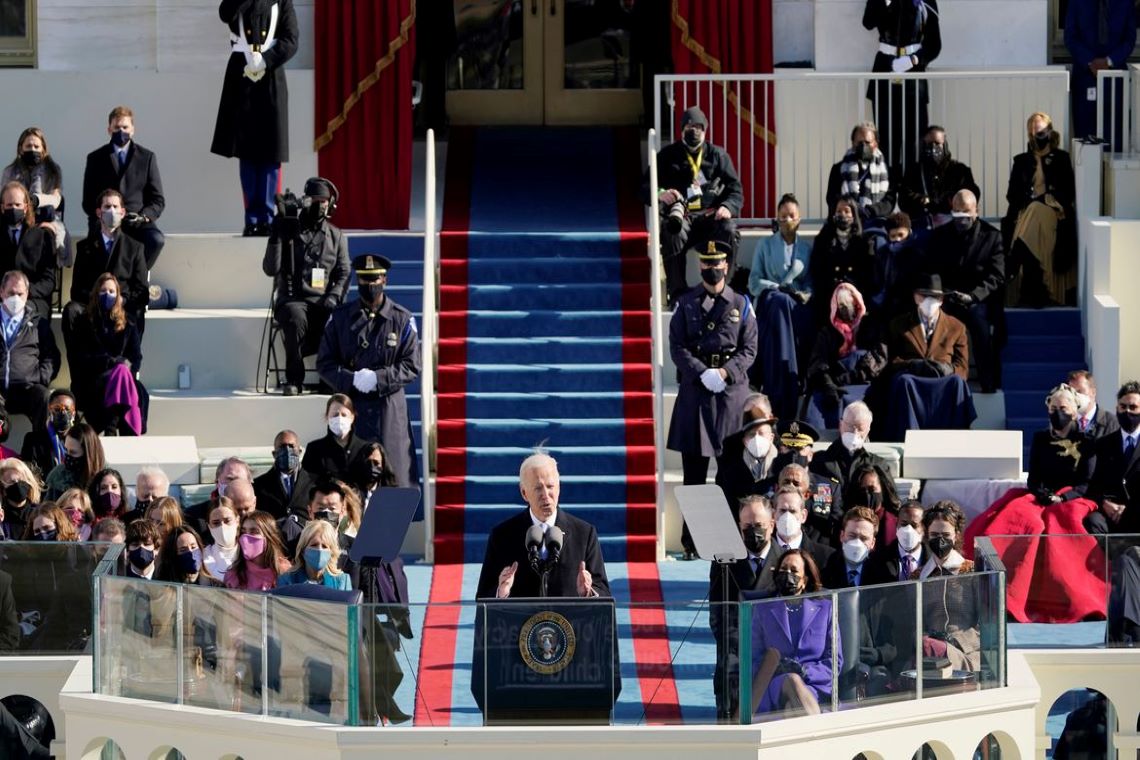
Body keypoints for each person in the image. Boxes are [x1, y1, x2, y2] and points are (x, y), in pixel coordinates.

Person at [964, 383, 1105, 623]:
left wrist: (1063, 498)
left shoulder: (1087, 441)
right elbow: (1034, 478)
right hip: (1041, 497)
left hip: (1073, 498)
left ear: (1074, 412)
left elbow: (1086, 482)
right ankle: (1002, 592)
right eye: (1053, 408)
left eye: (1063, 408)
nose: (1058, 413)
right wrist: (1044, 495)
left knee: (1058, 524)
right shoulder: (1040, 438)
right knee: (1021, 521)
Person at [667, 238, 758, 558]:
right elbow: (677, 346)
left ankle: (730, 539)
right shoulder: (685, 303)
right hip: (696, 392)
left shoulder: (741, 303)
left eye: (717, 263)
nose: (712, 268)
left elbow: (750, 348)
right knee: (693, 476)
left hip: (730, 395)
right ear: (700, 266)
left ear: (726, 266)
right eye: (707, 263)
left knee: (731, 475)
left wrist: (726, 373)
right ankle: (691, 542)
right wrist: (701, 372)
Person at [318, 254, 421, 486]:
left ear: (384, 280)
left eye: (374, 279)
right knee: (351, 479)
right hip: (353, 407)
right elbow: (325, 363)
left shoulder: (401, 319)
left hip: (389, 409)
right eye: (364, 280)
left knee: (394, 476)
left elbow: (412, 364)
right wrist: (350, 379)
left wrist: (379, 378)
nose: (370, 285)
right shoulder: (340, 318)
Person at [211, 0, 300, 236]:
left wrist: (267, 59)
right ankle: (252, 218)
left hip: (271, 75)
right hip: (242, 75)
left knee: (271, 152)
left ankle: (268, 217)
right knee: (247, 151)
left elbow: (291, 39)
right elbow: (225, 13)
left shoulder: (282, 2)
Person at [475, 452, 610, 599]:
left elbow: (603, 592)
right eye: (538, 488)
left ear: (559, 488)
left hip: (568, 615)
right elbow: (484, 596)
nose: (545, 495)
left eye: (550, 486)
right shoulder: (502, 536)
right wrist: (501, 592)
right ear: (524, 493)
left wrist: (588, 592)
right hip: (521, 615)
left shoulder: (584, 534)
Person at [645, 106, 743, 302]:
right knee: (672, 231)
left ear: (705, 130)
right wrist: (660, 193)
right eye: (689, 127)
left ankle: (725, 287)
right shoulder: (667, 156)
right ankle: (677, 294)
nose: (694, 131)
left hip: (710, 218)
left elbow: (736, 190)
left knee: (730, 231)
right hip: (682, 218)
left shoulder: (718, 156)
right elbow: (644, 186)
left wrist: (727, 207)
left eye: (698, 127)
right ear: (682, 130)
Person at [263, 176, 350, 394]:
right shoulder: (289, 227)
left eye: (324, 201)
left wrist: (334, 295)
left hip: (323, 300)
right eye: (315, 200)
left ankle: (330, 378)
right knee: (296, 316)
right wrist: (277, 231)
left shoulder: (336, 236)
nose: (319, 205)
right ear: (306, 201)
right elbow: (270, 269)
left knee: (339, 316)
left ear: (330, 204)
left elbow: (344, 272)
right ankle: (294, 379)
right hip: (293, 299)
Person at [872, 273, 975, 441]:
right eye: (924, 296)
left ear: (941, 300)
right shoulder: (898, 324)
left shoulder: (957, 327)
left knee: (957, 382)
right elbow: (891, 362)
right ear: (915, 297)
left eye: (934, 297)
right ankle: (907, 438)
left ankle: (956, 439)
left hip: (942, 380)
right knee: (903, 381)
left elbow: (963, 368)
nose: (929, 301)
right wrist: (912, 364)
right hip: (912, 378)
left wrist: (948, 369)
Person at [925, 190, 1005, 393]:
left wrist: (973, 296)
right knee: (936, 324)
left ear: (976, 211)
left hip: (977, 299)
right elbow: (932, 269)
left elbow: (997, 276)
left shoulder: (992, 236)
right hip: (948, 297)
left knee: (980, 325)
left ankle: (988, 383)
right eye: (957, 212)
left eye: (966, 212)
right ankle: (938, 379)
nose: (962, 218)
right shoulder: (940, 235)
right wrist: (942, 294)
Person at [709, 495, 780, 721]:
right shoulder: (724, 562)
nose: (753, 531)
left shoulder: (785, 561)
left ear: (772, 525)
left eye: (759, 525)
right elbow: (717, 613)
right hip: (735, 658)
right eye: (747, 526)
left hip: (773, 658)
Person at [747, 193, 813, 420]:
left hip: (795, 309)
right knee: (778, 300)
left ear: (799, 218)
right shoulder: (765, 245)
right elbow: (754, 282)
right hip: (770, 304)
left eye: (791, 216)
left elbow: (810, 284)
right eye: (782, 216)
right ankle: (785, 376)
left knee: (788, 304)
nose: (787, 220)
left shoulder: (806, 249)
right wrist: (776, 287)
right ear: (776, 218)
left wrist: (801, 294)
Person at [749, 548, 836, 718]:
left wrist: (806, 671)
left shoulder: (826, 609)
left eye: (794, 571)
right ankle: (821, 729)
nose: (787, 574)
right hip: (775, 683)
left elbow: (835, 659)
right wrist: (779, 669)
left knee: (791, 709)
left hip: (815, 685)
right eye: (783, 569)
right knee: (791, 679)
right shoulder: (763, 609)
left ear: (805, 580)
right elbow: (753, 656)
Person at [1002, 112, 1076, 308]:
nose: (1038, 136)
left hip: (1054, 212)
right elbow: (1011, 195)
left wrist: (1044, 200)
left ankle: (1014, 260)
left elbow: (1068, 192)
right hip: (1026, 214)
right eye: (1033, 132)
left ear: (1050, 131)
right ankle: (1033, 290)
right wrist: (1027, 199)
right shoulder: (1021, 161)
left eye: (1041, 131)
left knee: (1035, 208)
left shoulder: (1061, 158)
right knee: (1031, 212)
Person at [64, 188, 148, 356]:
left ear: (123, 212)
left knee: (137, 312)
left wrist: (120, 300)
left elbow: (141, 291)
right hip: (92, 307)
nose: (112, 211)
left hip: (121, 307)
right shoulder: (85, 247)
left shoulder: (135, 248)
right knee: (71, 310)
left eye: (115, 207)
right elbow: (76, 290)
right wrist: (97, 300)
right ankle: (80, 371)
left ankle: (125, 369)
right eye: (107, 207)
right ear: (99, 212)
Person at [81, 106, 165, 268]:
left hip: (137, 221)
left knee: (156, 240)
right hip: (105, 220)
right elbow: (88, 200)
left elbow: (158, 200)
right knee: (101, 245)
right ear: (109, 130)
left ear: (133, 129)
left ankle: (137, 275)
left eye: (125, 127)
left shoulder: (147, 157)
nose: (121, 131)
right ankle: (109, 280)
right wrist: (105, 216)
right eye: (117, 127)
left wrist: (143, 217)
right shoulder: (95, 158)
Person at [861, 0, 941, 172]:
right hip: (885, 68)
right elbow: (868, 22)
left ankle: (911, 186)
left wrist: (914, 60)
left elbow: (934, 44)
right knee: (886, 139)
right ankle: (887, 185)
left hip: (913, 72)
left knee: (915, 138)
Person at [69, 273, 147, 435]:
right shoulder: (84, 322)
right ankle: (129, 433)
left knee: (123, 373)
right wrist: (112, 362)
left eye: (111, 291)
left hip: (123, 378)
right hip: (95, 378)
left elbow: (136, 358)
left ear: (118, 295)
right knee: (121, 372)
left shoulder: (129, 322)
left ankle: (111, 427)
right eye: (103, 291)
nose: (107, 295)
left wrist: (124, 368)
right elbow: (81, 357)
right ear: (96, 293)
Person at [803, 282, 886, 429]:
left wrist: (851, 377)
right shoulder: (828, 331)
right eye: (841, 305)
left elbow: (879, 357)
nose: (846, 309)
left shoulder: (870, 326)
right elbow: (818, 362)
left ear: (857, 302)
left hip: (862, 383)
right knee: (817, 403)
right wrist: (828, 384)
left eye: (849, 303)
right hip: (834, 383)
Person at [911, 500, 981, 672]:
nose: (940, 540)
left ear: (956, 535)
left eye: (946, 535)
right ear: (926, 535)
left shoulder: (973, 572)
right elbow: (911, 622)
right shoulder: (918, 576)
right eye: (934, 535)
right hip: (928, 655)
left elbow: (986, 623)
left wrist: (957, 642)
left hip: (967, 654)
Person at [1064, 0, 1136, 144]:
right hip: (1085, 77)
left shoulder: (1126, 2)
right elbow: (1070, 37)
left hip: (1116, 78)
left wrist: (1108, 61)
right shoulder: (1076, 2)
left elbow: (1129, 39)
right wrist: (1090, 61)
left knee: (1115, 136)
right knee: (1085, 136)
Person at [0, 270, 59, 440]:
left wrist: (40, 377)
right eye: (11, 293)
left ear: (27, 294)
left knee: (44, 396)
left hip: (27, 389)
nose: (15, 298)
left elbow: (51, 357)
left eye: (20, 294)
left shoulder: (39, 323)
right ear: (2, 292)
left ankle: (38, 449)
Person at [1, 126, 69, 262]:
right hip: (16, 216)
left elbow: (56, 199)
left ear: (43, 149)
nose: (32, 149)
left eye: (36, 146)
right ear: (21, 149)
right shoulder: (10, 171)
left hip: (44, 216)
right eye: (28, 146)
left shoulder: (53, 171)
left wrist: (37, 200)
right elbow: (3, 196)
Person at [811, 402, 888, 520]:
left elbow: (890, 502)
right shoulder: (819, 461)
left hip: (864, 525)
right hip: (826, 525)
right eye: (851, 426)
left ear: (868, 430)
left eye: (860, 429)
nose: (855, 433)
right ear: (841, 425)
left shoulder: (877, 464)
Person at [898, 126, 981, 233]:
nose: (933, 148)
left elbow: (971, 194)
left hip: (954, 229)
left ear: (945, 146)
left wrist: (945, 202)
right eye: (929, 144)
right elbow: (904, 199)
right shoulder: (914, 171)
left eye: (937, 144)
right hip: (922, 228)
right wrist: (923, 201)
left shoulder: (959, 170)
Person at [1085, 381, 1140, 536]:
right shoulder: (1103, 444)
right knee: (1092, 521)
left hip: (1136, 511)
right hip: (1111, 513)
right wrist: (1104, 503)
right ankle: (1112, 553)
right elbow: (1093, 485)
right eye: (1123, 407)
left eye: (1133, 407)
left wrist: (1129, 510)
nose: (1127, 411)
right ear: (1117, 409)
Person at [809, 197, 877, 314]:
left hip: (857, 295)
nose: (842, 215)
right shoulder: (823, 240)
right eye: (839, 211)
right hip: (829, 296)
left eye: (846, 211)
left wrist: (850, 289)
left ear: (854, 215)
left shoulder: (864, 242)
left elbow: (868, 273)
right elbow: (817, 271)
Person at [714, 404, 780, 521]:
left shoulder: (781, 466)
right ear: (745, 441)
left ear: (771, 437)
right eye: (752, 434)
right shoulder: (732, 471)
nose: (757, 438)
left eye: (761, 433)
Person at [0, 182, 55, 320]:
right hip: (2, 297)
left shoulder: (42, 237)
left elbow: (48, 281)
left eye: (17, 205)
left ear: (25, 208)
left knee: (29, 316)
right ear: (2, 207)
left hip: (32, 299)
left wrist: (24, 293)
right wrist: (7, 294)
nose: (13, 208)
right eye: (9, 205)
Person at [825, 123, 896, 228]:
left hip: (876, 223)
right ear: (853, 143)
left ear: (875, 144)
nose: (863, 146)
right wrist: (852, 209)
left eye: (867, 142)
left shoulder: (887, 171)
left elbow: (889, 202)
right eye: (859, 142)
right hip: (846, 223)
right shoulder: (838, 169)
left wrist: (869, 211)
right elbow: (832, 198)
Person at [301, 394, 371, 483]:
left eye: (344, 415)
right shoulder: (314, 449)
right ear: (327, 417)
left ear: (352, 417)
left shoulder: (365, 449)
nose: (339, 419)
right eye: (335, 415)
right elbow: (306, 483)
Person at [184, 456, 254, 539]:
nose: (234, 485)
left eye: (239, 480)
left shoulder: (262, 517)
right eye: (230, 479)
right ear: (217, 482)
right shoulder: (194, 517)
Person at [223, 510, 291, 591]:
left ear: (269, 536)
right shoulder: (233, 576)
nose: (245, 537)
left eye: (254, 531)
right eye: (243, 532)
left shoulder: (285, 571)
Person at [771, 485, 834, 571]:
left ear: (803, 516)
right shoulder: (762, 553)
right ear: (773, 515)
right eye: (783, 510)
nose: (787, 516)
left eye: (793, 511)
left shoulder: (826, 556)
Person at [277, 519, 352, 590]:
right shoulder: (287, 580)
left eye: (324, 546)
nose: (319, 549)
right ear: (303, 550)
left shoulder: (342, 581)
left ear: (331, 552)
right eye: (314, 545)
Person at [253, 429, 312, 519]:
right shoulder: (259, 485)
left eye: (291, 446)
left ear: (299, 452)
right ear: (274, 454)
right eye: (282, 447)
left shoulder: (313, 482)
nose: (287, 451)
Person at [867, 499, 927, 584]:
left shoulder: (934, 559)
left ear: (924, 528)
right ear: (896, 525)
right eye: (904, 524)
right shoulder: (878, 559)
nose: (908, 530)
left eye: (914, 525)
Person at [844, 463, 902, 550]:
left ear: (882, 489)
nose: (867, 495)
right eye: (862, 490)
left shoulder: (895, 524)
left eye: (872, 489)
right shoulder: (846, 523)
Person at [20, 389, 76, 478]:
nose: (63, 412)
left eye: (67, 409)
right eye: (57, 409)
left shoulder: (82, 440)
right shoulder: (33, 441)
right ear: (50, 411)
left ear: (73, 414)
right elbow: (29, 475)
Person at [43, 421, 102, 500]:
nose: (67, 456)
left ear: (87, 454)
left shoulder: (104, 478)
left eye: (73, 452)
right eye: (66, 450)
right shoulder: (57, 476)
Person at [822, 507, 879, 589]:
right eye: (852, 536)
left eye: (864, 538)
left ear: (872, 543)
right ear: (842, 536)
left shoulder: (882, 573)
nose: (857, 543)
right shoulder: (826, 566)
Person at [1068, 369, 1120, 440]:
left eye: (1079, 391)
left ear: (1093, 392)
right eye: (1072, 392)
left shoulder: (1112, 423)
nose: (1075, 396)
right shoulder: (1065, 422)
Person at [0, 459, 40, 540]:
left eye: (21, 481)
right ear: (2, 488)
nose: (18, 485)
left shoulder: (40, 513)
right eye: (12, 482)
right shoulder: (1, 516)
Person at [202, 499, 240, 579]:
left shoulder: (250, 552)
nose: (222, 527)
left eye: (227, 521)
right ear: (209, 526)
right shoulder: (203, 557)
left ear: (237, 521)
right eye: (216, 523)